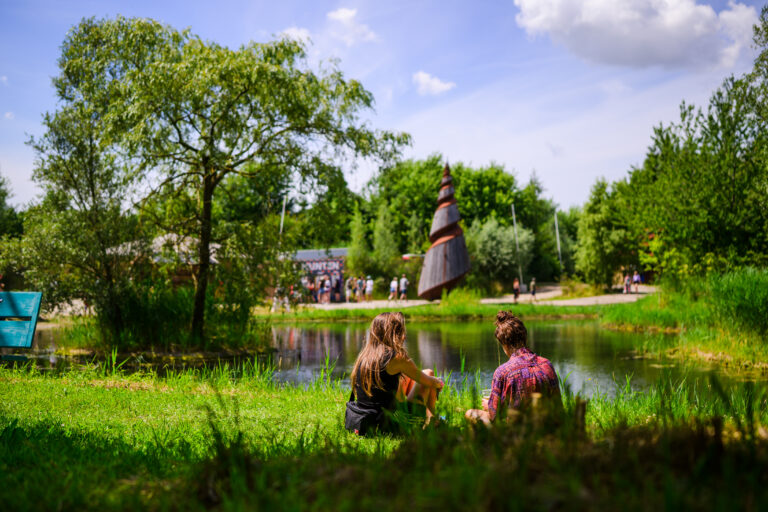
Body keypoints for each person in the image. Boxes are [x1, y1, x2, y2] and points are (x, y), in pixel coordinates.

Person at [345, 312, 444, 434]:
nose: (405, 336)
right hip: (385, 422)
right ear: (394, 333)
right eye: (402, 331)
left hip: (363, 418)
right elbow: (429, 382)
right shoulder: (397, 358)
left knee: (417, 376)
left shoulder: (365, 356)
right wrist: (439, 383)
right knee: (429, 376)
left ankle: (432, 420)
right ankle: (431, 421)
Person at [465, 311, 559, 425]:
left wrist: (489, 405)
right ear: (525, 338)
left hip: (518, 434)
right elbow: (558, 405)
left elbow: (493, 416)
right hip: (549, 429)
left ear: (504, 344)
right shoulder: (546, 364)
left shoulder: (503, 371)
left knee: (470, 413)